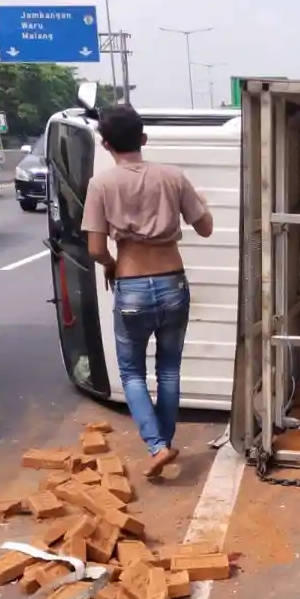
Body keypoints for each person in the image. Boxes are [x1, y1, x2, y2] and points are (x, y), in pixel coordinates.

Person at [83, 104, 214, 479]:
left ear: (105, 144)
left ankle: (157, 446)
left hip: (132, 286)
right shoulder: (173, 177)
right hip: (173, 282)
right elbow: (205, 228)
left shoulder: (101, 185)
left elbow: (95, 249)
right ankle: (164, 442)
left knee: (132, 373)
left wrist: (111, 265)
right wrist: (200, 203)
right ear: (143, 138)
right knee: (169, 370)